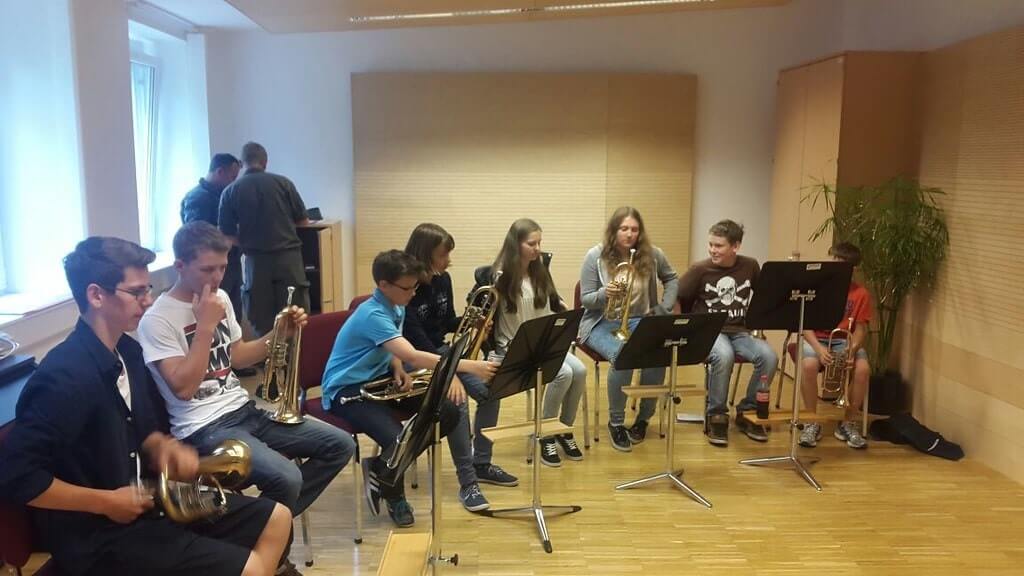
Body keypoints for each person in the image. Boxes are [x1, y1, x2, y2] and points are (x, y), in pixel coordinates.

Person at [0, 236, 291, 576]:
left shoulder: (128, 351)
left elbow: (142, 429)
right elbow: (18, 477)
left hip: (147, 507)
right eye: (137, 292)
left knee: (277, 518)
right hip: (98, 536)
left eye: (148, 289)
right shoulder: (62, 377)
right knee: (251, 568)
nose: (148, 300)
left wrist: (162, 447)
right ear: (96, 295)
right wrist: (106, 502)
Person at [137, 222, 354, 574]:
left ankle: (255, 533)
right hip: (203, 428)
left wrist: (278, 333)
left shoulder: (220, 298)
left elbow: (238, 357)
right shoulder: (157, 320)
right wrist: (205, 326)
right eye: (207, 269)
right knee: (287, 478)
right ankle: (273, 557)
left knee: (340, 445)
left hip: (244, 410)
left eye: (223, 268)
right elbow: (183, 388)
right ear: (180, 266)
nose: (217, 278)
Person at [322, 250, 496, 527]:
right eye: (407, 288)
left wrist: (396, 366)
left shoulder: (397, 304)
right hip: (347, 390)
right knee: (396, 439)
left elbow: (393, 347)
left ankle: (381, 466)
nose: (413, 293)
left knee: (448, 411)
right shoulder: (372, 314)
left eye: (415, 286)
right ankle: (395, 496)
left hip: (381, 378)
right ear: (384, 285)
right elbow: (413, 355)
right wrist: (470, 366)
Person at [403, 223, 519, 509]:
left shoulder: (443, 280)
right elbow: (416, 341)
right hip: (413, 359)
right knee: (458, 400)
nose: (448, 260)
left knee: (492, 391)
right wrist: (449, 372)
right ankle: (468, 483)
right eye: (443, 254)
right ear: (425, 254)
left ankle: (482, 463)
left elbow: (446, 323)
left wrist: (475, 322)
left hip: (443, 352)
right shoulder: (407, 287)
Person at [579, 207, 678, 453]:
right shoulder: (595, 256)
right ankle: (616, 423)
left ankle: (643, 419)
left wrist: (664, 307)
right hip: (601, 322)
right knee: (624, 356)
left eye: (634, 229)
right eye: (624, 229)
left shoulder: (653, 254)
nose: (629, 234)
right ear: (614, 231)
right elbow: (586, 299)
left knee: (658, 355)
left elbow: (671, 278)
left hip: (640, 319)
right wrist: (605, 293)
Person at [489, 218, 586, 467]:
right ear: (516, 245)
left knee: (580, 370)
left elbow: (551, 302)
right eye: (532, 244)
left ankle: (562, 428)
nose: (537, 249)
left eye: (539, 243)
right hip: (517, 345)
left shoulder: (539, 270)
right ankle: (544, 434)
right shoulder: (500, 277)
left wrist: (562, 307)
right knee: (563, 374)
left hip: (543, 341)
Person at [678, 219, 777, 446]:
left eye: (718, 246)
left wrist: (758, 323)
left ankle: (748, 411)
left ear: (735, 246)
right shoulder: (700, 269)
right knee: (724, 356)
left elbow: (764, 296)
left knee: (769, 357)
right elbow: (677, 295)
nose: (712, 250)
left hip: (740, 331)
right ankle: (717, 415)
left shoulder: (750, 266)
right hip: (709, 331)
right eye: (711, 244)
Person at [218, 141, 311, 336]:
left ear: (242, 163)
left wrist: (247, 242)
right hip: (289, 260)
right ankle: (297, 354)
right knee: (295, 316)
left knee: (262, 320)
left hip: (256, 262)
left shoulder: (230, 191)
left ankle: (265, 354)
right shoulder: (284, 183)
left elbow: (226, 234)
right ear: (265, 162)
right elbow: (303, 221)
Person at [798, 242, 873, 449]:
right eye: (833, 262)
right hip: (816, 338)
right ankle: (811, 421)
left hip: (843, 340)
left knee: (863, 370)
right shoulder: (816, 288)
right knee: (809, 366)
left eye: (840, 264)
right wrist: (819, 348)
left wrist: (852, 349)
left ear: (853, 268)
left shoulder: (861, 294)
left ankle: (848, 422)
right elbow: (805, 325)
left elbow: (860, 329)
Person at [181, 153, 243, 323]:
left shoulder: (224, 195)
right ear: (220, 172)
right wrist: (229, 238)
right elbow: (196, 234)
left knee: (232, 313)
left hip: (230, 262)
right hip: (210, 266)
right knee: (215, 315)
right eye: (232, 177)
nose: (233, 182)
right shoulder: (197, 198)